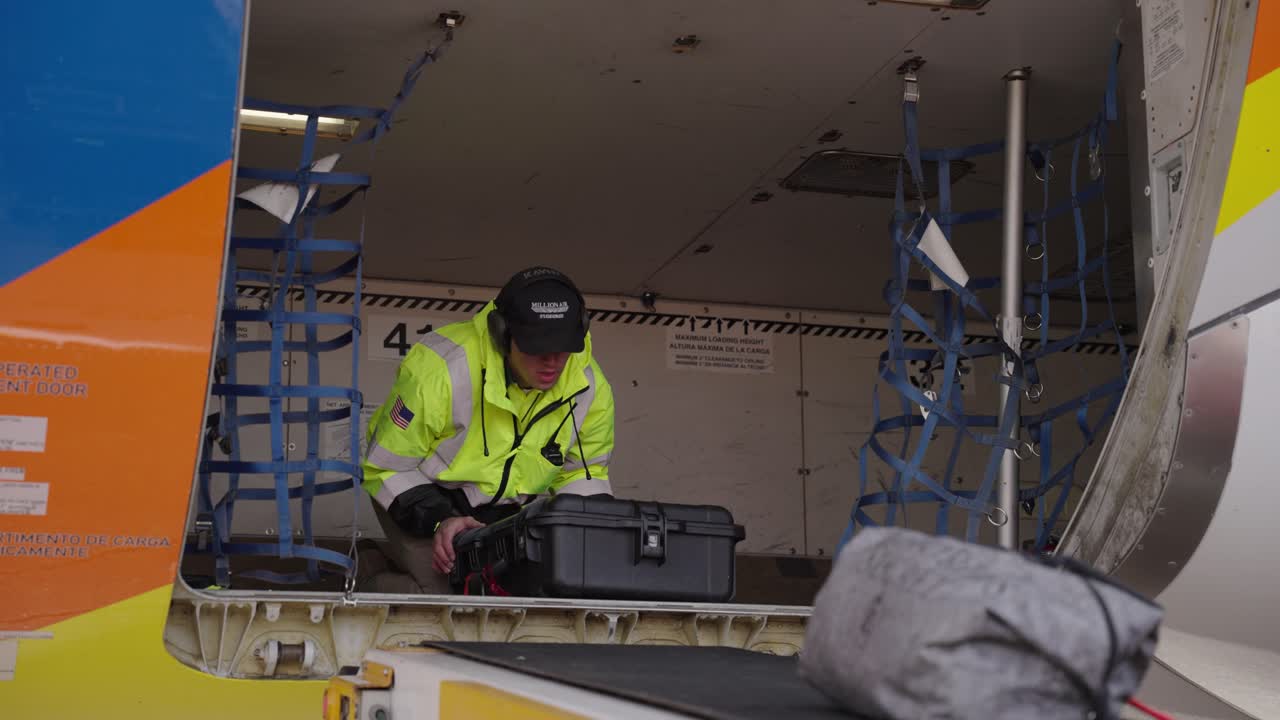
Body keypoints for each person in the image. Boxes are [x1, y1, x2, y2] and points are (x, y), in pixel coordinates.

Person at [358, 266, 615, 593]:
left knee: (531, 590)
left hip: (508, 513)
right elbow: (386, 465)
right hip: (424, 497)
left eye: (564, 346)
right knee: (448, 599)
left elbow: (583, 473)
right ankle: (371, 569)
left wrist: (594, 542)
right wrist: (442, 520)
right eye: (536, 347)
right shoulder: (442, 370)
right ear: (501, 333)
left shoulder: (589, 386)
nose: (552, 361)